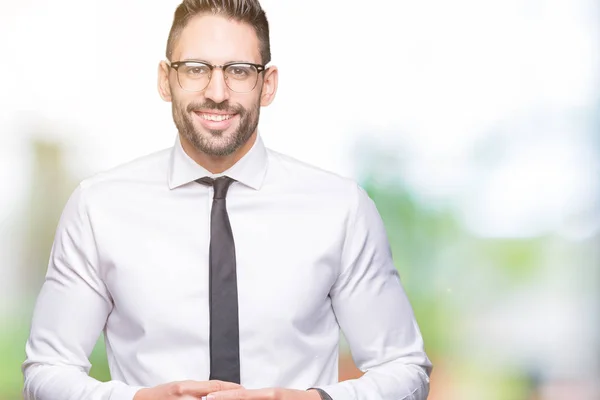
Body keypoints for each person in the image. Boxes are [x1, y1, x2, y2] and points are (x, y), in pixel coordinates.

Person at [22, 0, 432, 399]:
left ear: (267, 85)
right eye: (196, 69)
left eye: (238, 70)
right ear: (165, 79)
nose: (217, 92)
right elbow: (47, 370)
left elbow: (404, 369)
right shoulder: (98, 208)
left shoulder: (341, 209)